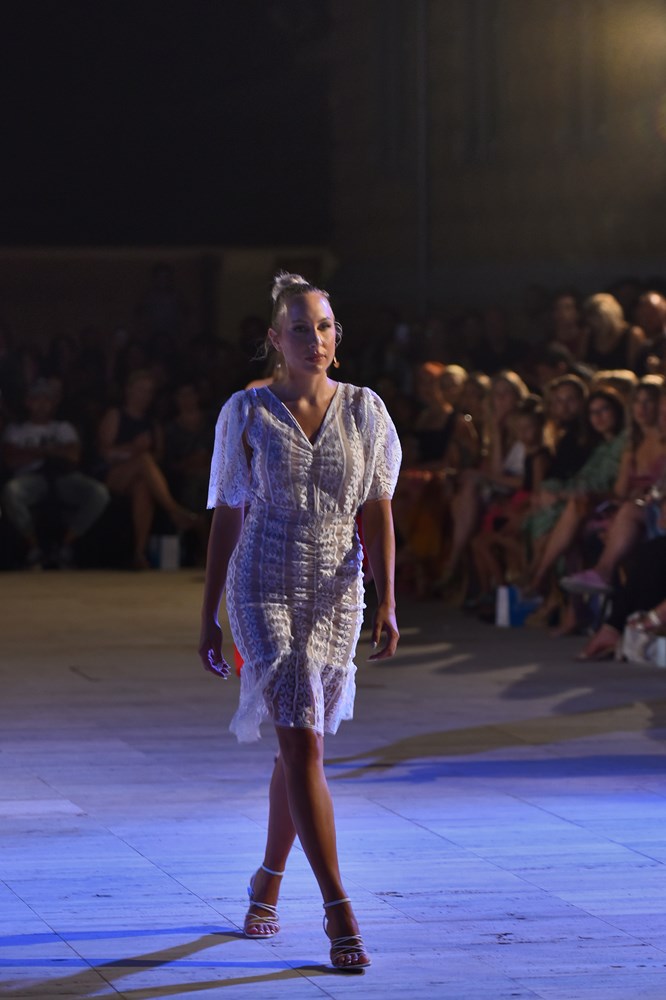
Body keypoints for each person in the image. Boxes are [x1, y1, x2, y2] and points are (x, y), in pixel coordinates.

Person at [198, 272, 401, 971]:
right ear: (274, 340)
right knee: (301, 739)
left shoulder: (366, 410)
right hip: (261, 582)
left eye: (324, 326)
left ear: (336, 336)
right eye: (300, 328)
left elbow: (379, 508)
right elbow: (228, 513)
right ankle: (339, 909)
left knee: (300, 743)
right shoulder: (247, 412)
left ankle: (267, 879)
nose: (315, 339)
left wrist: (389, 598)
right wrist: (209, 613)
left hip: (336, 588)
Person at [1, 379, 110, 567]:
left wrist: (31, 452)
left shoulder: (63, 427)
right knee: (11, 491)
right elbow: (11, 460)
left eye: (47, 399)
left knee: (99, 493)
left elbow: (73, 456)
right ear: (28, 402)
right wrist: (52, 450)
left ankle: (65, 545)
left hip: (63, 477)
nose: (42, 404)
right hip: (31, 478)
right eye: (37, 399)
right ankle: (34, 548)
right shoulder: (16, 429)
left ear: (53, 404)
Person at [98, 370, 198, 569]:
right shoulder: (115, 415)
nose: (144, 395)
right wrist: (133, 449)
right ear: (129, 390)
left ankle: (139, 553)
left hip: (141, 477)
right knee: (143, 459)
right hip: (113, 474)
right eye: (140, 390)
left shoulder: (152, 424)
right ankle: (174, 510)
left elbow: (158, 456)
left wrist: (144, 455)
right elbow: (104, 451)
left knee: (143, 488)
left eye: (149, 391)